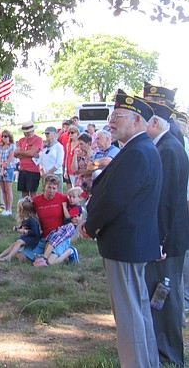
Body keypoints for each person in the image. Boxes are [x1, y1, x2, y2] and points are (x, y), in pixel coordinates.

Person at [81, 90, 162, 368]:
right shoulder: (139, 149)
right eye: (110, 116)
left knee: (129, 316)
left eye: (117, 117)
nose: (110, 122)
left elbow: (115, 198)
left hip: (126, 244)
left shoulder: (138, 151)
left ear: (137, 120)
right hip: (131, 244)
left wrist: (90, 227)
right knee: (137, 310)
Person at [143, 100, 189, 366]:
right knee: (163, 294)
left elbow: (167, 201)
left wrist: (159, 240)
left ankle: (169, 354)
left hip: (168, 239)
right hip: (168, 237)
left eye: (146, 121)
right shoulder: (167, 146)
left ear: (156, 124)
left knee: (166, 296)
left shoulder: (168, 149)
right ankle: (163, 349)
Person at [18, 175, 73, 265]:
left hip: (59, 237)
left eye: (54, 188)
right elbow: (28, 216)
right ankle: (41, 253)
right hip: (44, 237)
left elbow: (76, 213)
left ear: (58, 188)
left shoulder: (63, 199)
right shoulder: (36, 201)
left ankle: (70, 251)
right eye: (49, 187)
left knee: (50, 262)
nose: (51, 191)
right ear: (44, 187)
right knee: (21, 257)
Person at [33, 188, 83, 267]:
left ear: (80, 198)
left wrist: (64, 206)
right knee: (51, 237)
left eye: (74, 197)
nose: (71, 199)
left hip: (69, 228)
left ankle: (70, 251)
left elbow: (67, 215)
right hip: (64, 227)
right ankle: (44, 257)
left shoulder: (77, 208)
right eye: (70, 197)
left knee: (55, 240)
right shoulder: (71, 205)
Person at [14, 121, 43, 198]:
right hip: (23, 169)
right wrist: (26, 153)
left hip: (33, 170)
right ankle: (25, 208)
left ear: (33, 130)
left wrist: (21, 153)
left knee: (33, 193)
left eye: (29, 132)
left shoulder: (38, 139)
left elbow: (31, 153)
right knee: (24, 192)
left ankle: (33, 209)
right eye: (25, 132)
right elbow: (16, 154)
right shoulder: (21, 140)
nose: (27, 134)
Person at [0, 130, 17, 216]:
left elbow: (11, 157)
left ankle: (9, 208)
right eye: (3, 136)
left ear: (9, 137)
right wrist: (0, 163)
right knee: (3, 189)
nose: (4, 138)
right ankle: (5, 207)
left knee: (8, 189)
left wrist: (5, 164)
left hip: (8, 168)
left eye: (6, 136)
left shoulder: (12, 146)